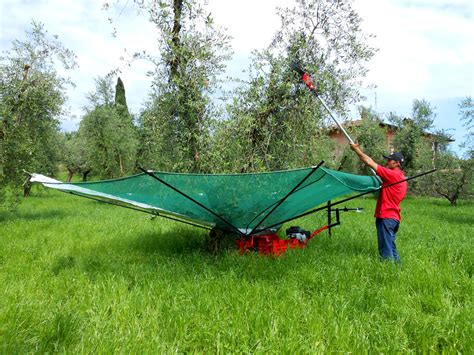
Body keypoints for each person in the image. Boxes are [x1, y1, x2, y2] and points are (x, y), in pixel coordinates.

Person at [350, 143, 408, 261]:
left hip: (386, 217)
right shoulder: (402, 178)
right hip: (394, 218)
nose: (387, 162)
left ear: (397, 163)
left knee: (386, 252)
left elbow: (369, 162)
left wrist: (356, 150)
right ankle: (397, 270)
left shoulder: (393, 175)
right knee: (391, 248)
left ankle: (387, 274)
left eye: (390, 160)